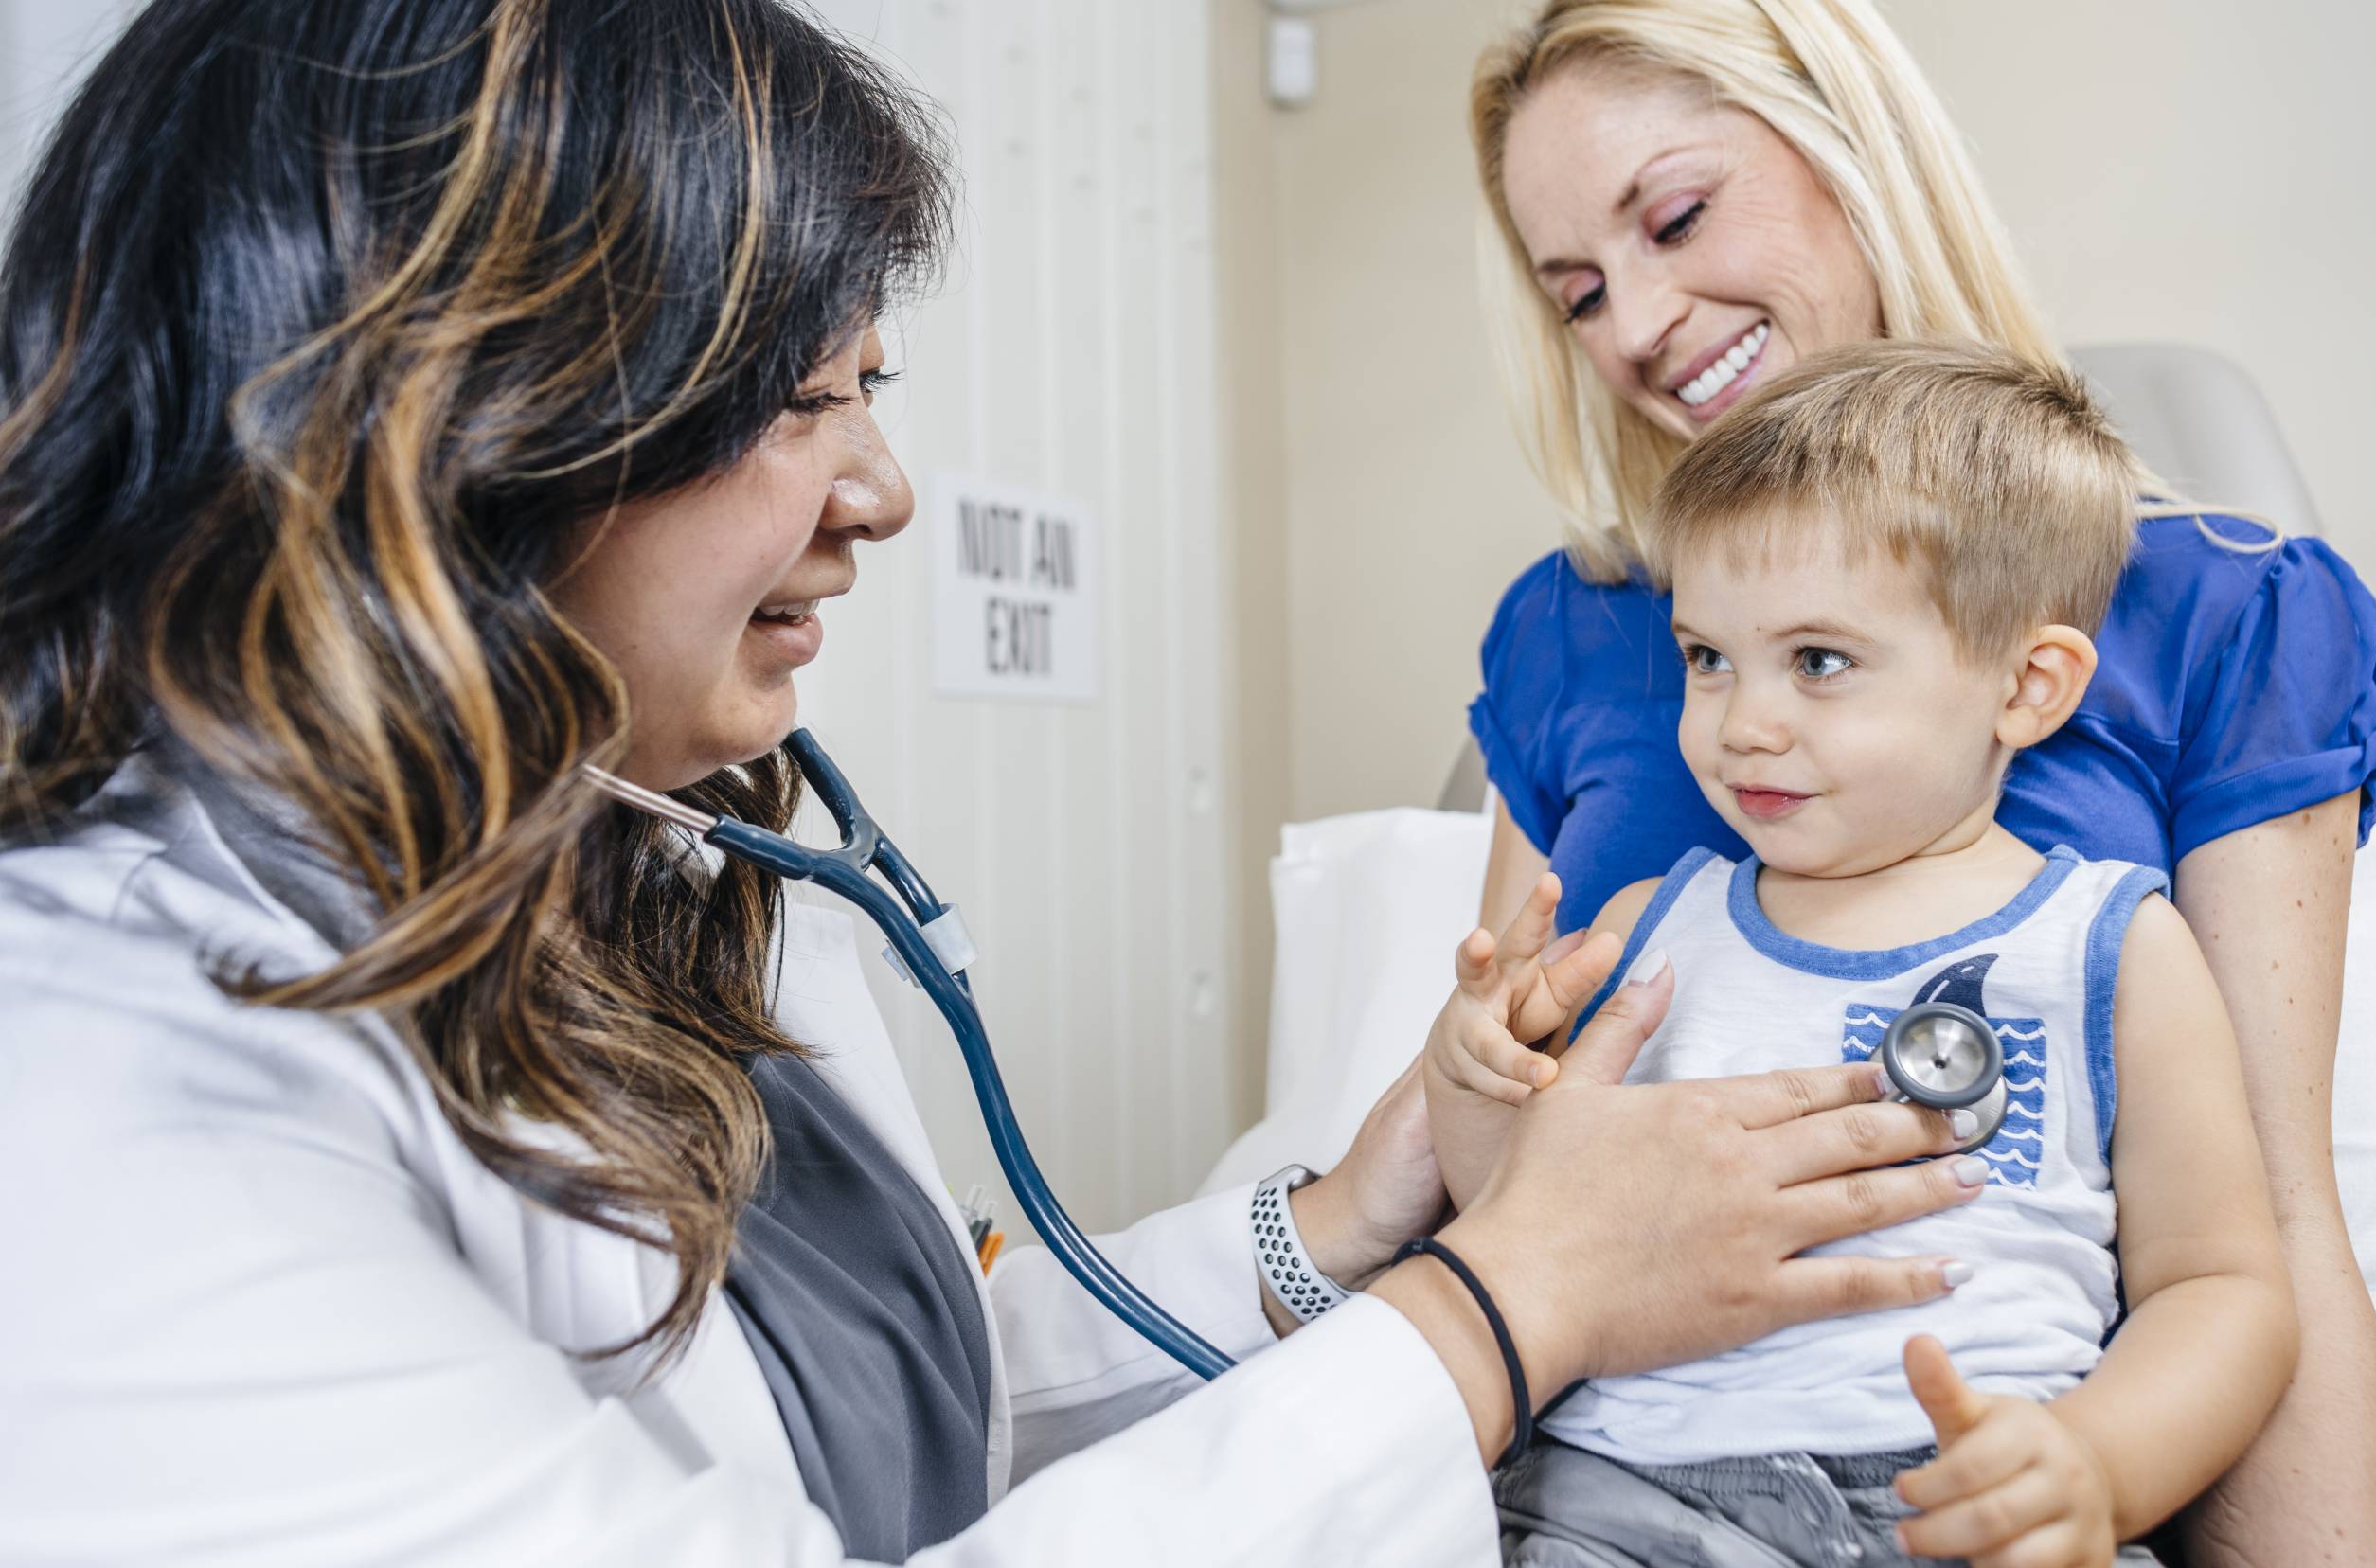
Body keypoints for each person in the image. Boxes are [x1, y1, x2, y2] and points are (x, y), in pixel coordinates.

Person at [0, 2, 2009, 1562]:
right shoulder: (101, 1102)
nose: (880, 493)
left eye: (873, 395)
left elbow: (916, 1389)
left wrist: (1355, 1211)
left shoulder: (659, 853)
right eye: (808, 403)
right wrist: (1506, 1312)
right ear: (453, 432)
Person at [1462, 4, 2376, 1559]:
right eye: (1577, 293)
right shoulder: (1574, 626)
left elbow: (2265, 1239)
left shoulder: (2224, 614)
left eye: (1678, 217)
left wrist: (2095, 1473)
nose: (1632, 325)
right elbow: (1501, 1172)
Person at [1428, 344, 2297, 1567]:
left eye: (1819, 662)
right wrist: (1473, 1084)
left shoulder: (2113, 954)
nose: (1743, 722)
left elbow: (2224, 1291)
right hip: (1625, 1497)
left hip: (1975, 1494)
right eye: (1706, 657)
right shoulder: (1640, 931)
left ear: (2029, 686)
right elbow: (1514, 1219)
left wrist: (2096, 1465)